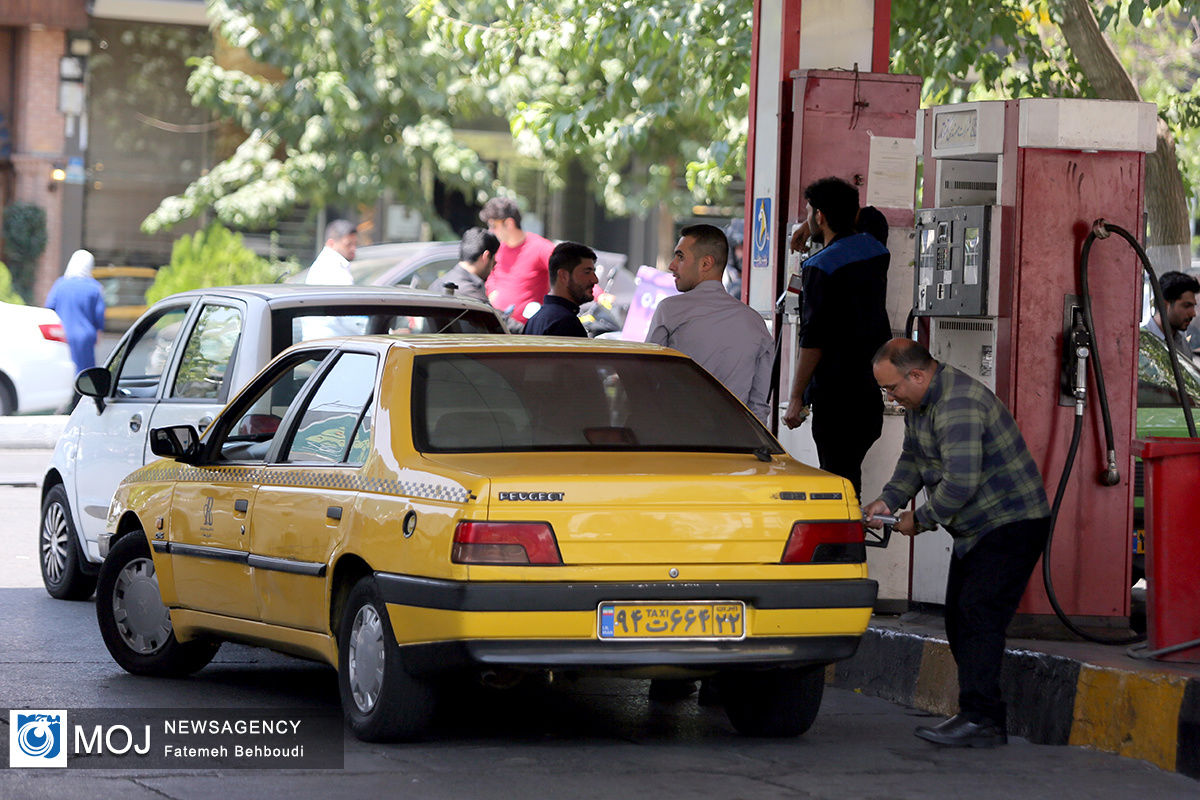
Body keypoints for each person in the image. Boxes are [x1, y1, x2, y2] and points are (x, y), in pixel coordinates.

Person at [863, 338, 1050, 748]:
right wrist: (889, 499)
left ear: (918, 374)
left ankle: (982, 719)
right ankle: (977, 715)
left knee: (978, 614)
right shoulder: (921, 404)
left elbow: (960, 484)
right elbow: (913, 459)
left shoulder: (957, 405)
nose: (890, 396)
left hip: (1011, 522)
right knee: (960, 619)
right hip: (976, 527)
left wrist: (921, 519)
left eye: (892, 388)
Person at [782, 177, 891, 501]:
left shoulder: (820, 266)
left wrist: (797, 397)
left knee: (840, 485)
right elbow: (871, 215)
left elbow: (813, 340)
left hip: (836, 397)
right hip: (870, 392)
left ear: (820, 216)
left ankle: (845, 548)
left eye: (810, 212)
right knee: (848, 479)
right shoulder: (875, 248)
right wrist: (812, 220)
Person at [645, 223, 773, 424]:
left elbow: (648, 380)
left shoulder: (670, 310)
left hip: (678, 436)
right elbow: (759, 405)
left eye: (680, 257)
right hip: (734, 441)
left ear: (706, 264)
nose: (671, 265)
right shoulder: (755, 323)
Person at [479, 197, 555, 324]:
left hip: (528, 333)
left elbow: (569, 269)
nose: (490, 231)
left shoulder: (540, 248)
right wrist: (492, 290)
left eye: (493, 226)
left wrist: (599, 296)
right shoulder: (498, 249)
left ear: (509, 223)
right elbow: (492, 276)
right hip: (499, 328)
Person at [46, 249, 106, 374]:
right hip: (85, 337)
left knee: (62, 371)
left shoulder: (60, 284)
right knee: (84, 375)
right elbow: (99, 316)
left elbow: (49, 308)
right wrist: (98, 334)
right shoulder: (95, 288)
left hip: (61, 335)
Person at [522, 242, 598, 337]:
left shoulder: (534, 320)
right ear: (564, 275)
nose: (595, 280)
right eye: (587, 272)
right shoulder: (566, 323)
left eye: (593, 272)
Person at [429, 227, 500, 305]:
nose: (494, 267)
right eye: (494, 262)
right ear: (486, 256)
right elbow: (491, 316)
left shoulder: (437, 284)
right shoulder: (472, 296)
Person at [1143, 270, 1198, 364]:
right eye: (1186, 306)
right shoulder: (1141, 342)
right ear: (1164, 305)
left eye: (1193, 306)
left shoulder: (1183, 345)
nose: (1193, 313)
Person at [305, 219, 358, 285]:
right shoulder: (330, 268)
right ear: (331, 243)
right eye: (348, 244)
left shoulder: (329, 264)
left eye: (355, 244)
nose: (353, 248)